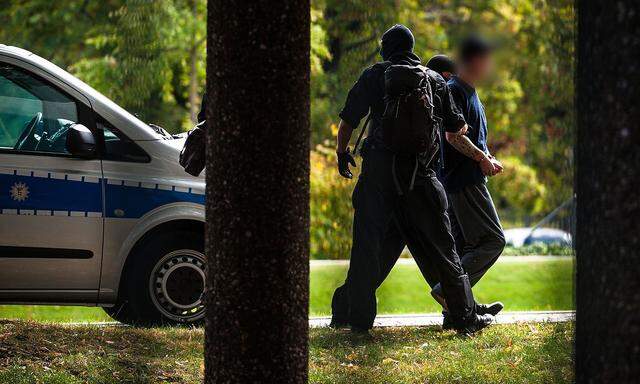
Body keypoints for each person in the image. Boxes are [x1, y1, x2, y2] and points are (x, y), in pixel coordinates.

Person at [330, 24, 493, 335]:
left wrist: (342, 152)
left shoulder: (373, 74)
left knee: (365, 248)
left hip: (378, 177)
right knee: (445, 251)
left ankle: (358, 321)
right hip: (422, 178)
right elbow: (456, 127)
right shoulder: (433, 80)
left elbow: (348, 119)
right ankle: (465, 319)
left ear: (386, 49)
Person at [430, 36, 507, 319]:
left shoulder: (471, 92)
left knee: (469, 247)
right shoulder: (454, 90)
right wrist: (481, 158)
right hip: (463, 181)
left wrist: (488, 155)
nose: (490, 66)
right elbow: (453, 137)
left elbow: (474, 137)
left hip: (468, 178)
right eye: (488, 60)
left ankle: (458, 312)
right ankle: (449, 292)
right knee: (493, 240)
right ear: (475, 60)